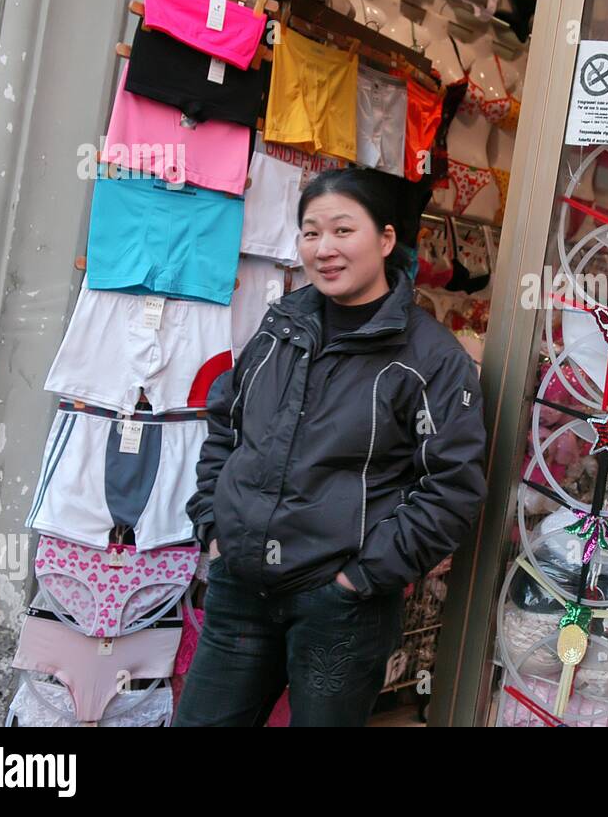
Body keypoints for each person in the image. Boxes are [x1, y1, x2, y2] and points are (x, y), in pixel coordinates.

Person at [174, 166, 487, 726]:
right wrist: (215, 528)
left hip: (339, 609)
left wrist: (359, 579)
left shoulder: (430, 358)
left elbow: (452, 489)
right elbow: (225, 422)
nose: (324, 249)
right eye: (311, 232)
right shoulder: (281, 327)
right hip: (240, 587)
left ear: (386, 240)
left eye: (343, 230)